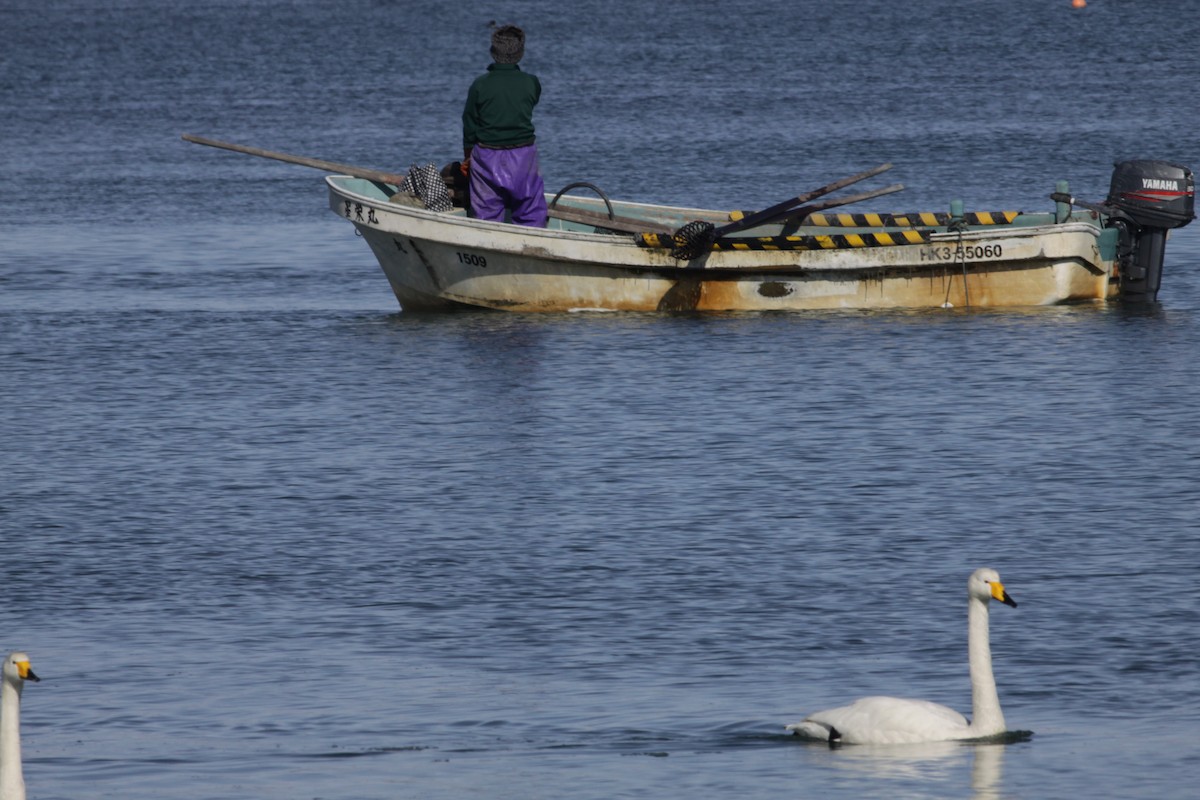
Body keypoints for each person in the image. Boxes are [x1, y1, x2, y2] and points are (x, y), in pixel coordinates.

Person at [461, 24, 548, 227]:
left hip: (487, 158)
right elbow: (529, 104)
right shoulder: (531, 82)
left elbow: (469, 124)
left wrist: (468, 158)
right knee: (530, 211)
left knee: (486, 215)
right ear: (521, 53)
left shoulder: (480, 85)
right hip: (523, 156)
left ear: (493, 52)